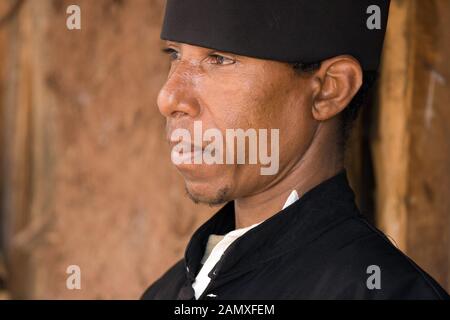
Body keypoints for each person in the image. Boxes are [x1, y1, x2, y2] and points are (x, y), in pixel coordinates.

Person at [142, 0, 450, 299]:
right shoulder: (165, 292)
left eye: (220, 59)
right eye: (174, 53)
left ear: (329, 89)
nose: (168, 98)